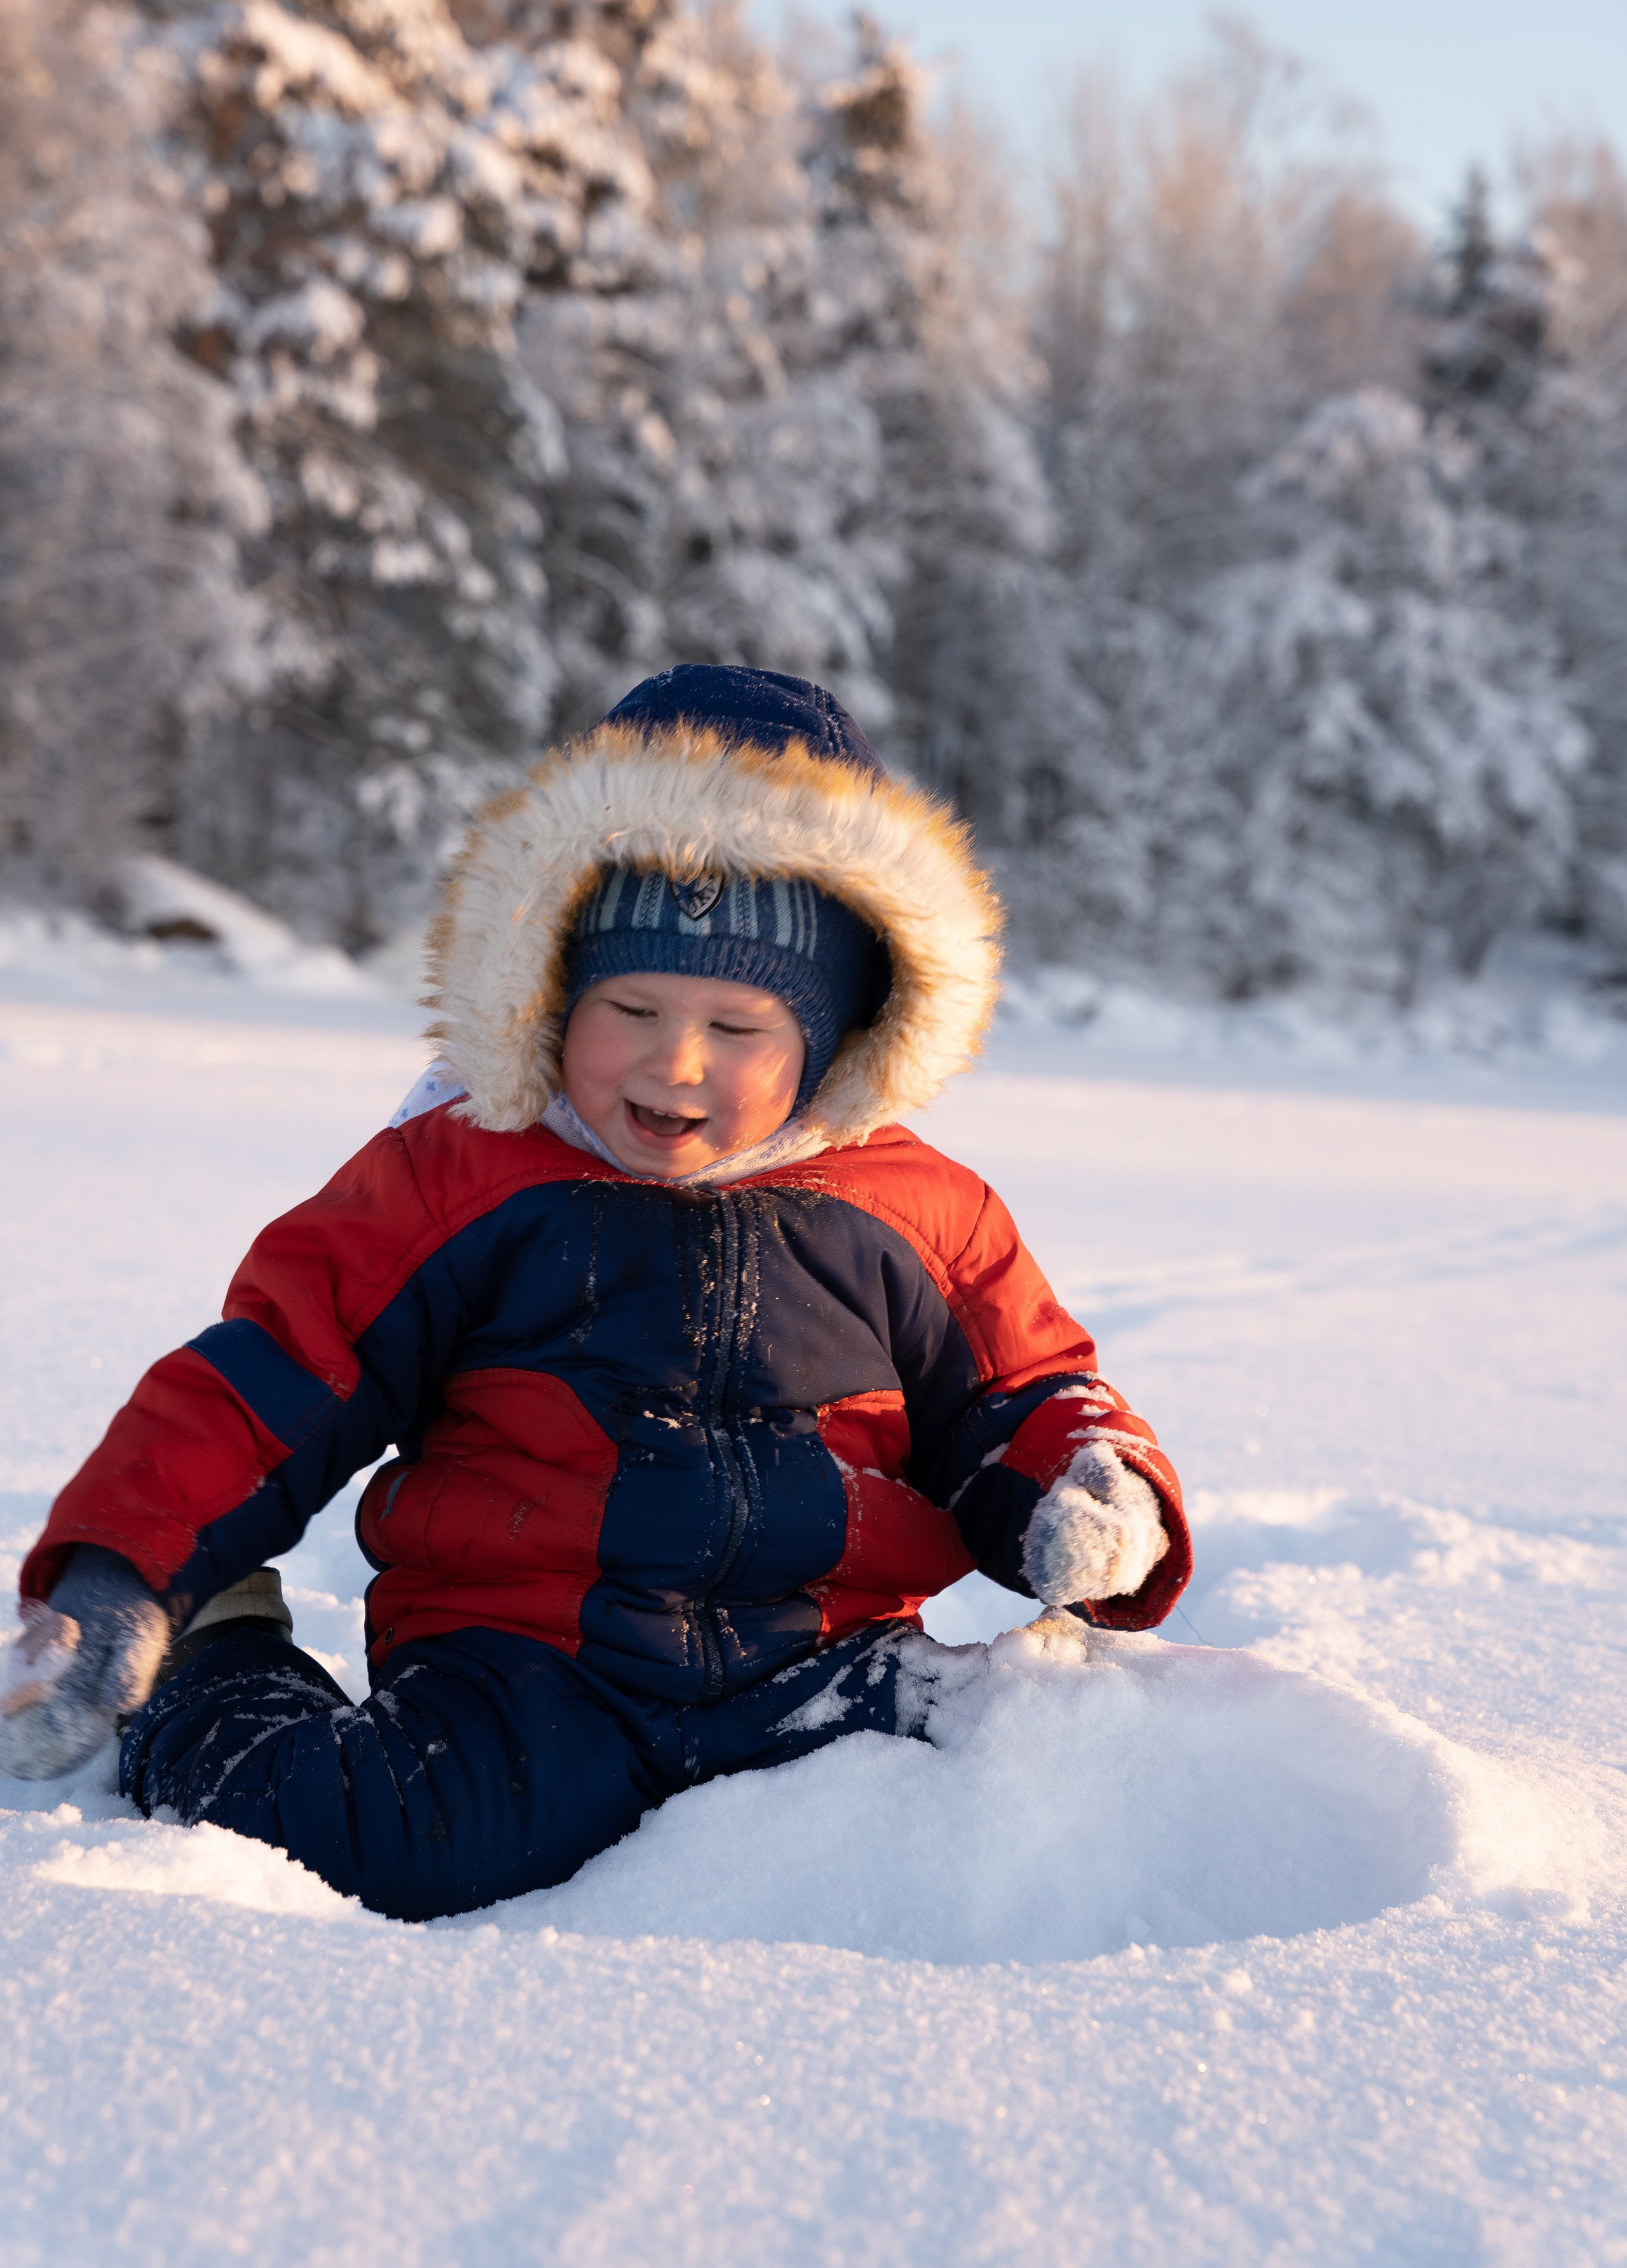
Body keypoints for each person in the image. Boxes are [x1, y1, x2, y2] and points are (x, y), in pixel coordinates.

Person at [0, 665, 1191, 1920]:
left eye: (737, 1029)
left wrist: (1086, 1486)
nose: (674, 1065)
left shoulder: (920, 1211)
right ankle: (221, 1652)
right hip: (526, 1667)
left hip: (825, 1662)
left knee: (1040, 1759)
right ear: (550, 988)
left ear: (831, 1038)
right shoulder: (460, 1175)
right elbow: (276, 1373)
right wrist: (130, 1567)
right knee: (373, 1842)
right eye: (631, 1008)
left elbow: (1024, 1391)